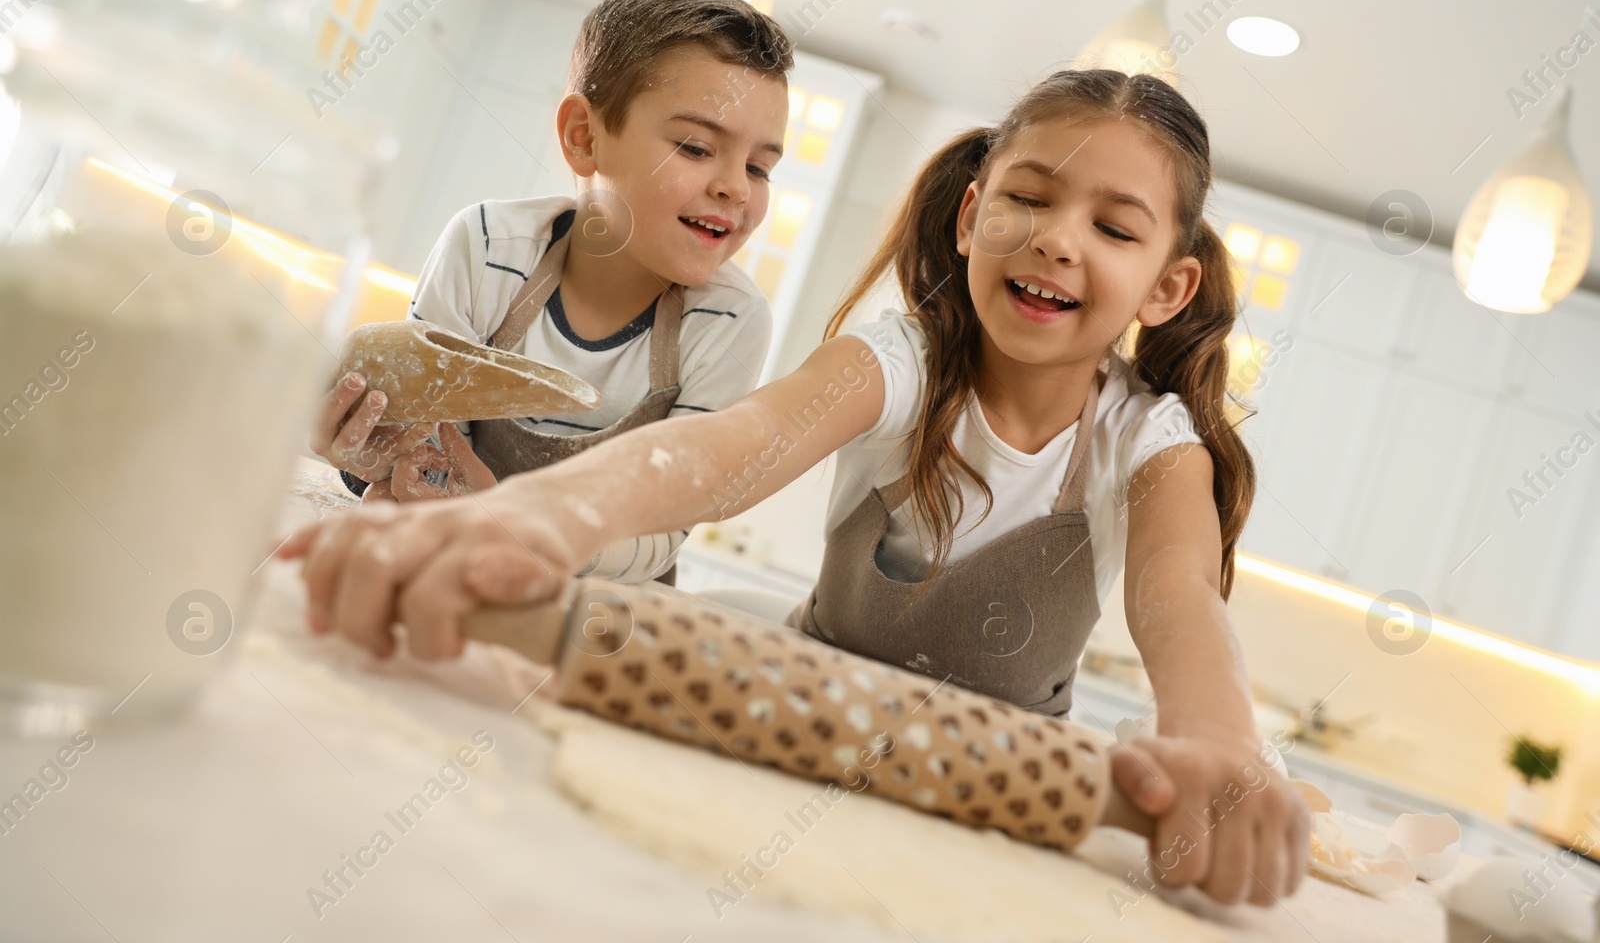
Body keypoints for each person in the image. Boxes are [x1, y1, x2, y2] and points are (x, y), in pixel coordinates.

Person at [281, 68, 1311, 906]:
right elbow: (735, 446)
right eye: (1029, 198)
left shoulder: (1149, 437)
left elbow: (1179, 596)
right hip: (791, 718)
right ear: (969, 217)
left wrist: (1219, 741)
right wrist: (538, 512)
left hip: (994, 775)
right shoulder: (901, 359)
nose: (1055, 238)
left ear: (1167, 286)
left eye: (1115, 228)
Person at [305, 0, 792, 585]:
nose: (736, 189)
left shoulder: (729, 320)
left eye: (759, 167)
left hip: (598, 609)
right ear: (584, 138)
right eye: (696, 147)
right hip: (440, 559)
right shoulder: (487, 248)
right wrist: (373, 462)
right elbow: (422, 453)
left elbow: (663, 528)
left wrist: (518, 529)